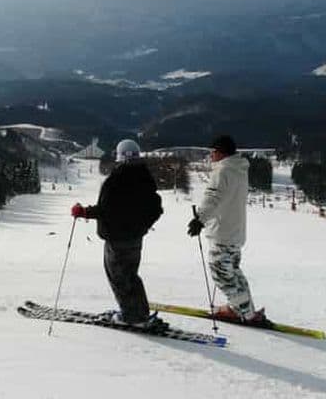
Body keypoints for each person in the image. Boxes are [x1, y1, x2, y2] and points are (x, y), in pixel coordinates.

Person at [71, 139, 164, 329]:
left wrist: (84, 212)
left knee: (119, 277)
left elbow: (105, 210)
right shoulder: (145, 178)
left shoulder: (116, 180)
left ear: (119, 156)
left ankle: (132, 316)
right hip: (135, 238)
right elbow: (156, 209)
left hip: (117, 239)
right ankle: (139, 312)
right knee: (131, 276)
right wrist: (142, 226)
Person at [187, 135, 264, 323]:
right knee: (234, 273)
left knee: (222, 275)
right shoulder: (239, 170)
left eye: (213, 152)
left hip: (222, 233)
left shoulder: (222, 171)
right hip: (235, 232)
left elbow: (213, 198)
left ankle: (243, 313)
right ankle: (246, 310)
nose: (211, 156)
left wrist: (200, 220)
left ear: (220, 152)